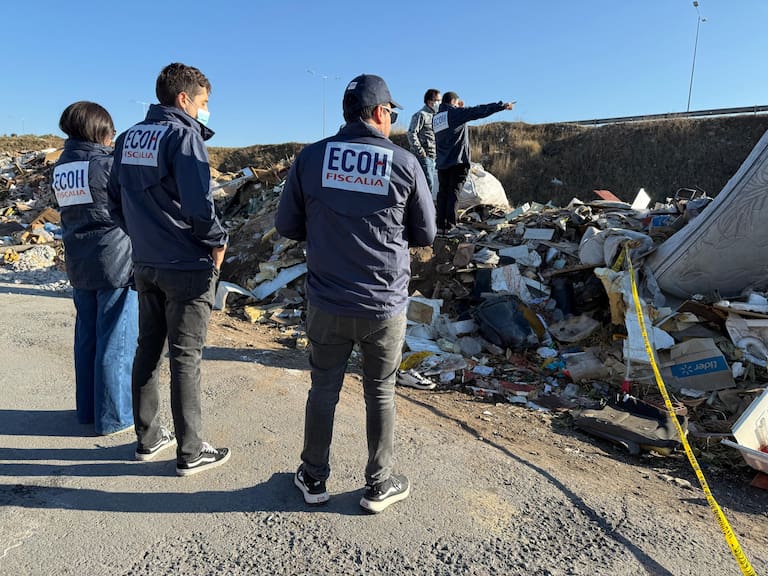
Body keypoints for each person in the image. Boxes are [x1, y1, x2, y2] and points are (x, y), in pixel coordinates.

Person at [276, 74, 436, 513]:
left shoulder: (310, 159)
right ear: (381, 112)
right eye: (393, 113)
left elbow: (286, 226)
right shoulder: (404, 163)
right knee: (380, 392)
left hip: (327, 302)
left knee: (323, 388)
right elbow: (425, 233)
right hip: (384, 304)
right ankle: (379, 484)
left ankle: (313, 477)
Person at [108, 63, 230, 477]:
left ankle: (147, 439)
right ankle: (191, 451)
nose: (205, 111)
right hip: (186, 264)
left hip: (145, 263)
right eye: (203, 102)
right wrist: (218, 240)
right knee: (185, 357)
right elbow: (200, 206)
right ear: (184, 99)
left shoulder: (126, 139)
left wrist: (143, 237)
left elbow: (114, 204)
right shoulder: (183, 135)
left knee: (148, 349)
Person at [52, 101, 137, 436]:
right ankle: (115, 417)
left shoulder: (61, 166)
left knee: (86, 338)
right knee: (117, 340)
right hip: (114, 259)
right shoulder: (106, 165)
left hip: (79, 259)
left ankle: (87, 409)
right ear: (100, 130)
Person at [433, 92, 514, 234]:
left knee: (442, 194)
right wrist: (501, 106)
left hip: (442, 162)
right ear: (454, 101)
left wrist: (458, 108)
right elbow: (477, 111)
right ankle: (450, 225)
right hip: (457, 161)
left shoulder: (437, 118)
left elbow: (455, 124)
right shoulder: (455, 114)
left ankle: (440, 225)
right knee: (454, 193)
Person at [406, 88, 441, 200]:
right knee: (427, 185)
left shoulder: (436, 116)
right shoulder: (421, 115)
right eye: (438, 100)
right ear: (430, 101)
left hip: (434, 157)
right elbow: (411, 133)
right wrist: (420, 151)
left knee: (430, 186)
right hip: (424, 158)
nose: (440, 103)